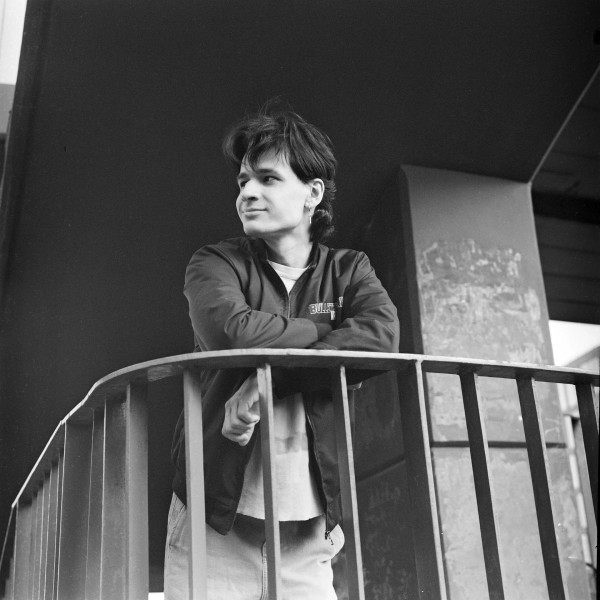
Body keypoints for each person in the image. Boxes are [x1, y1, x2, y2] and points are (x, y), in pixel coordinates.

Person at [164, 105, 399, 599]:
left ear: (313, 193)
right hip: (214, 525)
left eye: (268, 178)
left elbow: (380, 339)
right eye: (243, 181)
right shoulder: (215, 262)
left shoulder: (350, 269)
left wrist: (266, 380)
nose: (247, 192)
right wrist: (329, 331)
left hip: (307, 532)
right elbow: (234, 333)